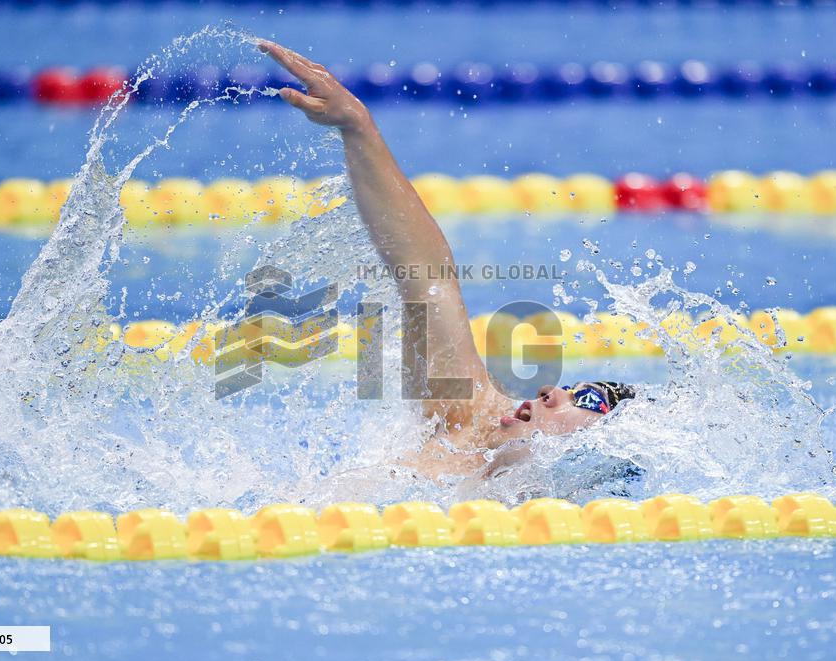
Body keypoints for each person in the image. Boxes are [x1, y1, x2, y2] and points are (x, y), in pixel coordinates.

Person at [260, 41, 635, 479]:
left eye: (587, 402)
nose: (551, 390)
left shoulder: (550, 499)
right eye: (573, 389)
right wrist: (358, 127)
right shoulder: (465, 413)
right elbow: (426, 276)